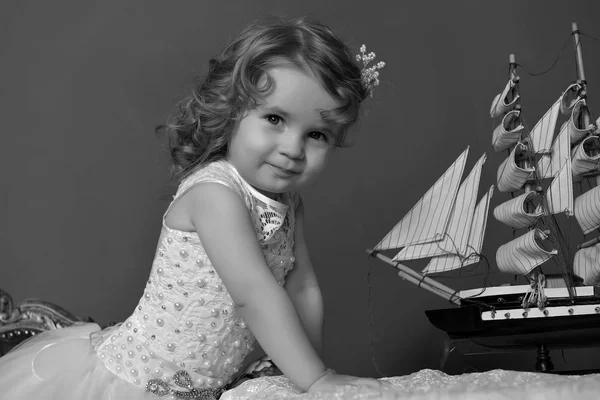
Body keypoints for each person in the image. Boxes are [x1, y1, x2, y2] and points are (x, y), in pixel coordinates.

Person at [0, 16, 391, 399]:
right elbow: (253, 293)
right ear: (234, 110)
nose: (292, 148)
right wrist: (316, 378)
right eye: (274, 118)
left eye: (316, 134)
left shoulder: (291, 204)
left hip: (209, 386)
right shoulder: (216, 195)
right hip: (144, 382)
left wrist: (316, 380)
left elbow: (302, 287)